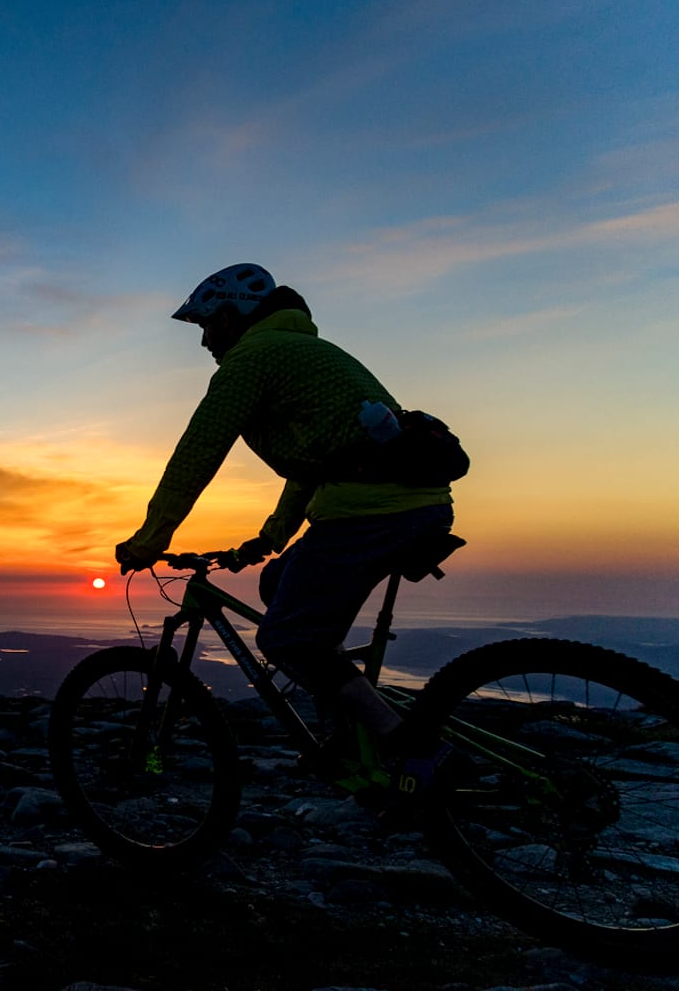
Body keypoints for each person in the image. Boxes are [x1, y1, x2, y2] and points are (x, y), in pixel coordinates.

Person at [113, 263, 455, 772]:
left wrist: (149, 540)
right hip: (402, 504)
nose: (204, 340)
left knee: (284, 639)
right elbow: (321, 463)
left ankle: (408, 748)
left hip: (376, 510)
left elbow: (197, 453)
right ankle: (351, 729)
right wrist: (269, 538)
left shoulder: (251, 359)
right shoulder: (300, 350)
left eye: (206, 325)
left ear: (229, 316)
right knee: (278, 582)